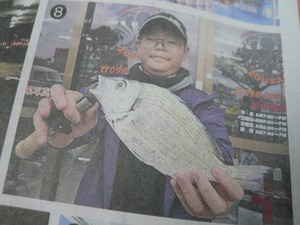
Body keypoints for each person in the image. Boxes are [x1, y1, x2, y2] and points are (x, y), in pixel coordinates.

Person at [33, 12, 244, 221]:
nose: (160, 46)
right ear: (138, 44)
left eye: (171, 41)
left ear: (185, 52)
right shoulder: (115, 93)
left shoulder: (202, 103)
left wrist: (221, 187)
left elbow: (221, 156)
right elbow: (83, 126)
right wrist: (64, 122)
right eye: (152, 39)